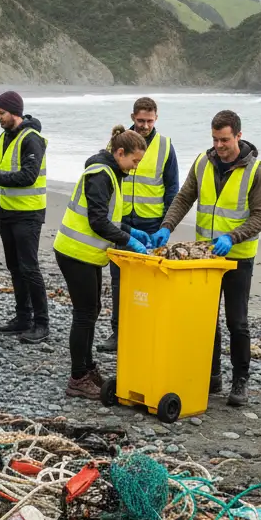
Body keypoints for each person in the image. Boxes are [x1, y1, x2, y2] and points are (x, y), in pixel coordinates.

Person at [155, 109, 261, 407]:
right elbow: (183, 198)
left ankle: (240, 381)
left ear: (239, 137)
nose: (219, 146)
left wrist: (232, 237)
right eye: (215, 139)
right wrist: (166, 228)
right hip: (205, 256)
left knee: (237, 321)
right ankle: (213, 375)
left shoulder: (256, 171)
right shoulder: (203, 162)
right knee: (207, 320)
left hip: (238, 258)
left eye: (225, 140)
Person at [52, 126, 150, 400]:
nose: (135, 166)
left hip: (88, 255)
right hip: (75, 253)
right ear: (120, 153)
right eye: (134, 160)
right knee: (84, 314)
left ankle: (87, 366)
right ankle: (77, 377)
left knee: (92, 310)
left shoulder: (111, 172)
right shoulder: (100, 174)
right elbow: (97, 221)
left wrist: (130, 231)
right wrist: (128, 241)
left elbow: (107, 216)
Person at [0, 91, 50, 344]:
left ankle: (42, 323)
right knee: (15, 267)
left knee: (29, 267)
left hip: (28, 213)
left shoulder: (31, 138)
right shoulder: (5, 136)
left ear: (14, 112)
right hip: (7, 211)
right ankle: (23, 317)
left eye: (1, 113)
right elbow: (7, 170)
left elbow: (28, 176)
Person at [98, 95, 179, 353]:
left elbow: (172, 188)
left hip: (152, 223)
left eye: (149, 120)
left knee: (149, 282)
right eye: (140, 120)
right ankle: (118, 332)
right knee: (119, 279)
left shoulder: (165, 146)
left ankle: (146, 330)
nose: (144, 125)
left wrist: (167, 225)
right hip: (122, 222)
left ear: (157, 118)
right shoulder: (119, 142)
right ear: (133, 117)